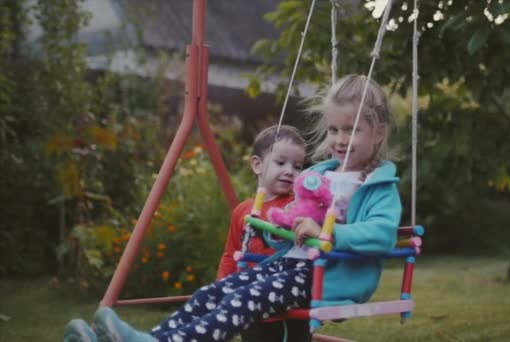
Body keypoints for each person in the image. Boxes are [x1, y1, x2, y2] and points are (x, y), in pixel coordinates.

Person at [63, 74, 402, 342]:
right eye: (333, 129)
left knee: (243, 301)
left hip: (326, 277)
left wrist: (327, 232)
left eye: (352, 130)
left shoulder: (377, 186)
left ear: (378, 133)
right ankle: (149, 338)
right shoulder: (319, 174)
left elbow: (382, 234)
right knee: (213, 292)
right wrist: (281, 228)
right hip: (290, 266)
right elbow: (296, 225)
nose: (340, 139)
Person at [216, 125, 312, 342]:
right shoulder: (242, 211)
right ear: (257, 165)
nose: (290, 171)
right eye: (281, 162)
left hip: (289, 310)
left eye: (298, 166)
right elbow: (231, 254)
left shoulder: (295, 206)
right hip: (251, 312)